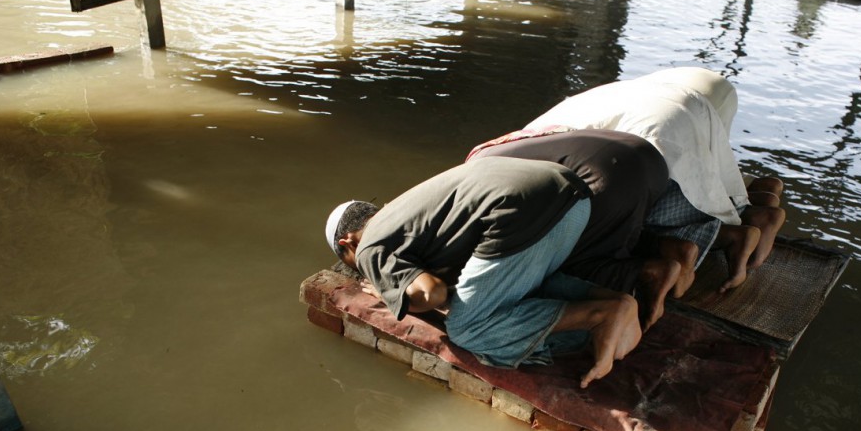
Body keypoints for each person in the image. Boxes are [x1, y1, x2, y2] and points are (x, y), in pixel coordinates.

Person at [326, 157, 642, 389]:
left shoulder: (368, 246)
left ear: (347, 243)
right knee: (524, 289)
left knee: (467, 327)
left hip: (518, 212)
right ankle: (616, 303)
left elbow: (431, 293)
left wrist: (387, 293)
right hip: (573, 197)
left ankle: (601, 316)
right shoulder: (404, 212)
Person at [524, 67, 786, 294]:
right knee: (706, 175)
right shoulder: (526, 138)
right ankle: (760, 200)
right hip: (682, 95)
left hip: (657, 120)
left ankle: (726, 236)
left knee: (626, 217)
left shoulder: (518, 156)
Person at [465, 127, 681, 327]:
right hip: (651, 161)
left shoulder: (475, 174)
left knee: (566, 258)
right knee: (615, 231)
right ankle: (671, 250)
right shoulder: (514, 142)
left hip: (602, 173)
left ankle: (645, 273)